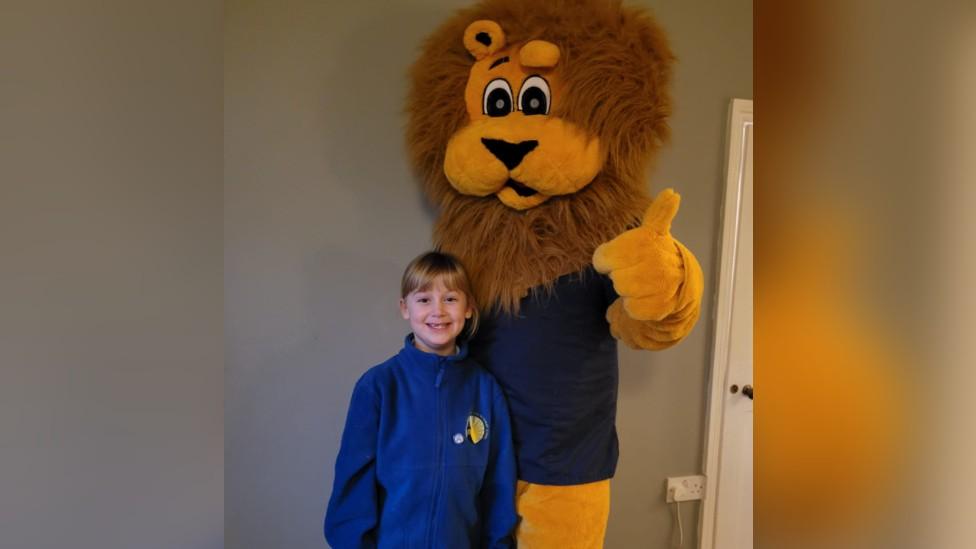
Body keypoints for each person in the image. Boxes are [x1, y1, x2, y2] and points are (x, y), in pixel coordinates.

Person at [324, 251, 518, 548]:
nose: (438, 311)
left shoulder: (485, 390)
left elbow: (499, 485)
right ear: (405, 308)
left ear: (469, 308)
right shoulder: (378, 386)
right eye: (424, 299)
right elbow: (353, 487)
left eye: (451, 299)